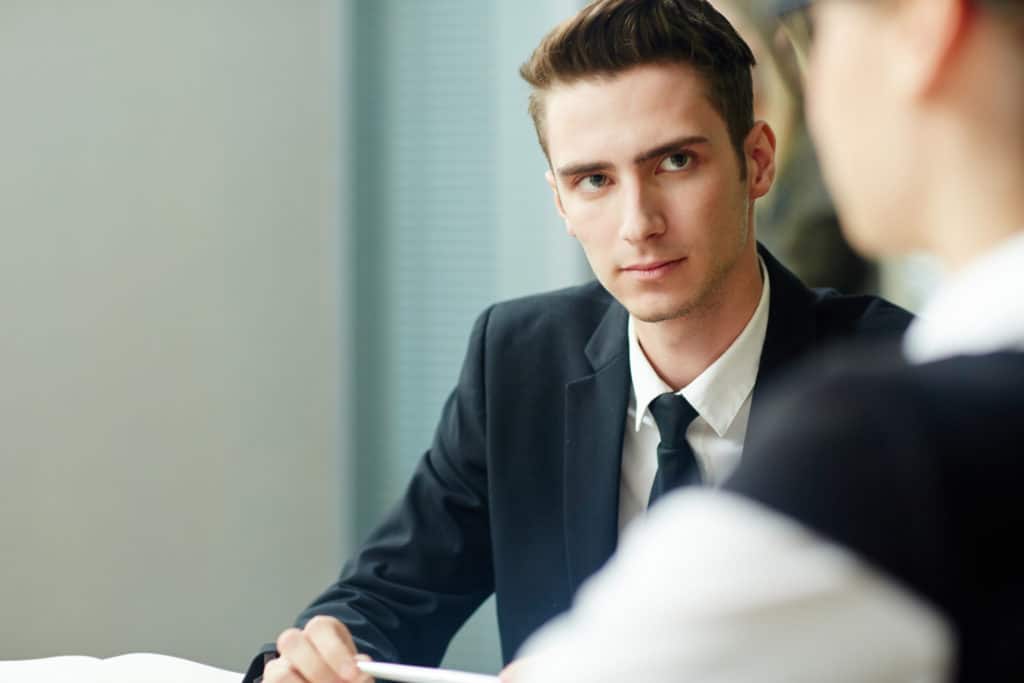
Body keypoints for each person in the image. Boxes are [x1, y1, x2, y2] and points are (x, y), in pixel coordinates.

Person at [250, 2, 913, 682]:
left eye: (676, 161)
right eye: (594, 180)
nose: (639, 223)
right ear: (561, 202)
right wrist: (309, 660)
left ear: (759, 162)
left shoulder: (897, 372)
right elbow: (383, 597)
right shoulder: (516, 360)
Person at [513, 0, 1024, 680]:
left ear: (924, 28)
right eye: (595, 179)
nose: (810, 97)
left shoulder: (881, 452)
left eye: (818, 31)